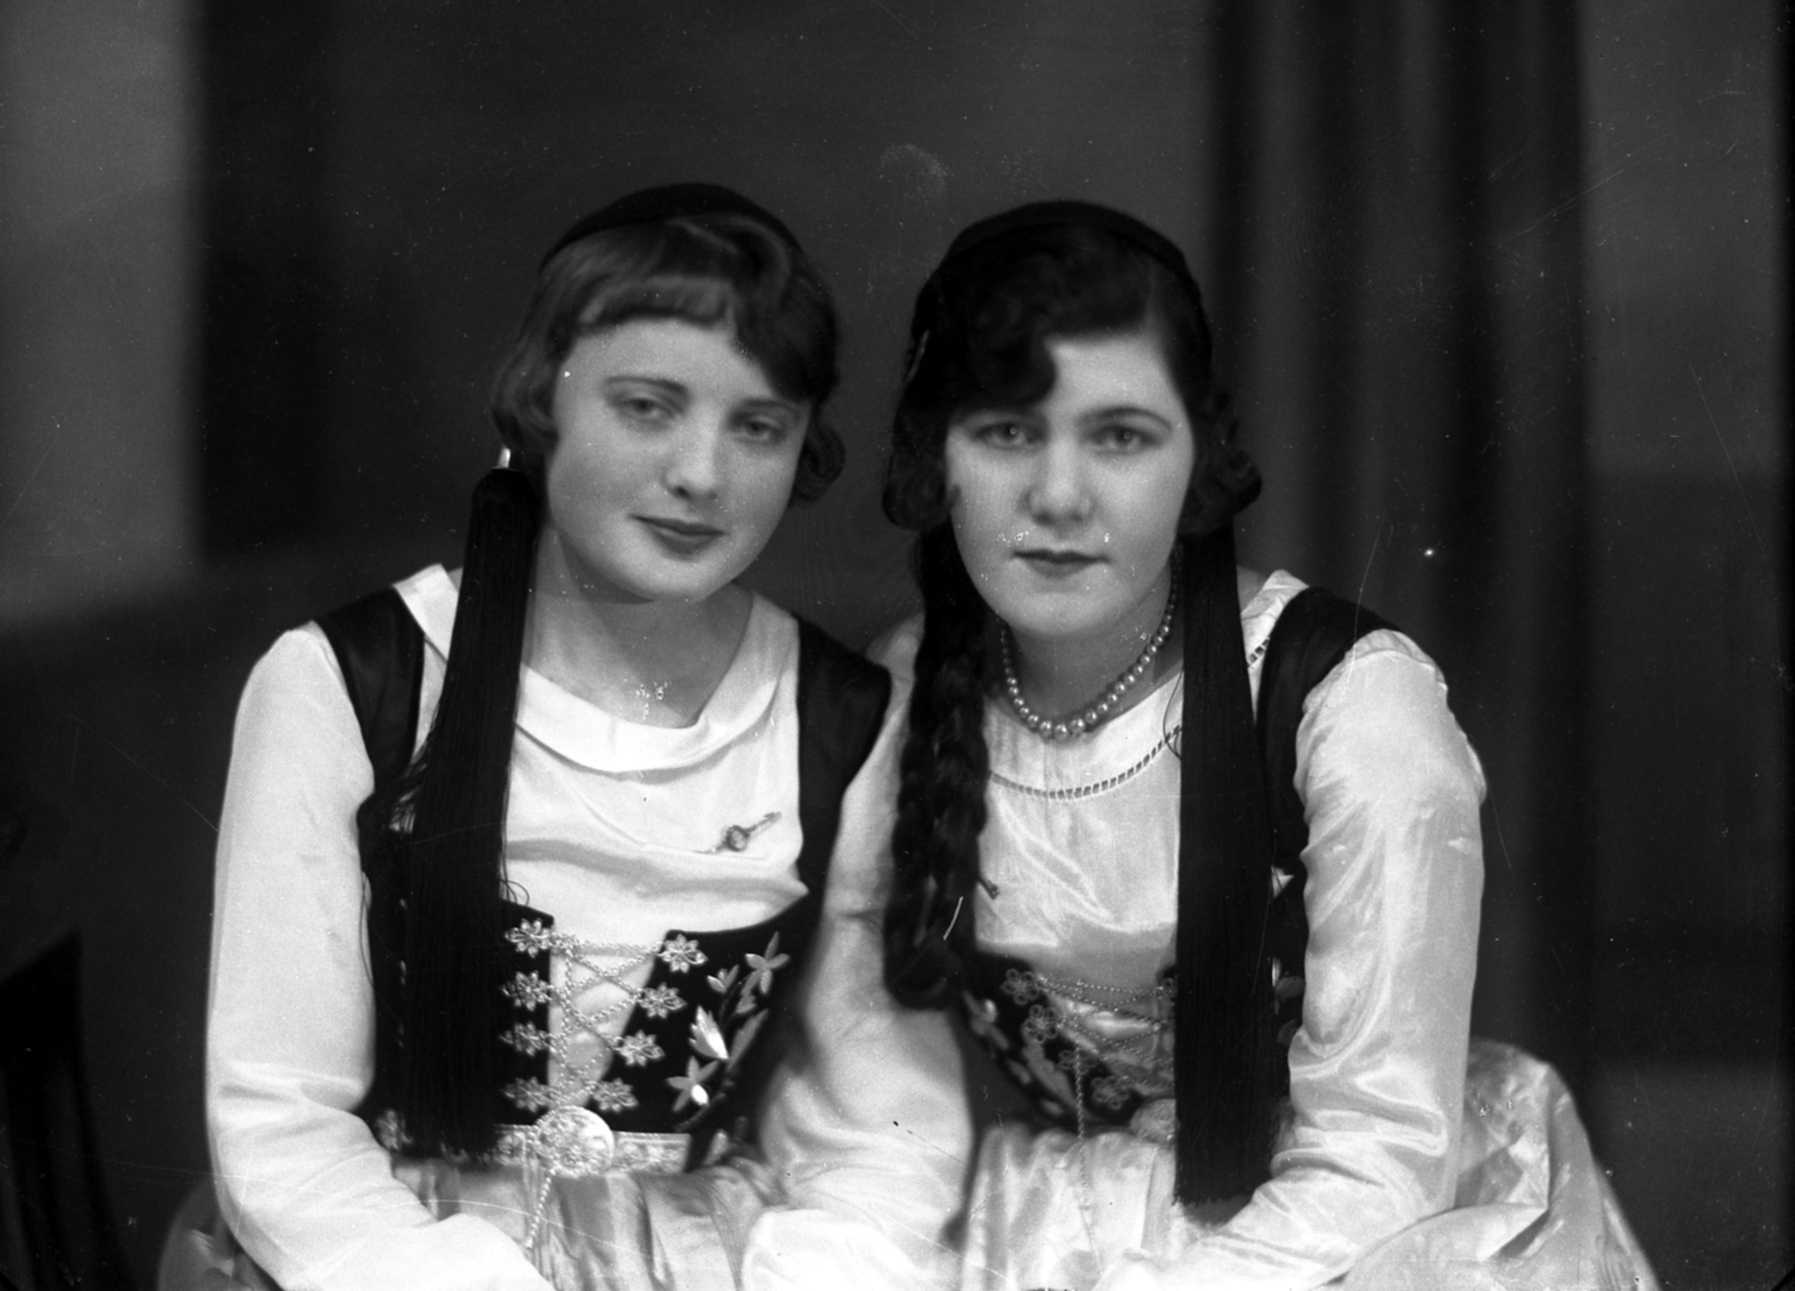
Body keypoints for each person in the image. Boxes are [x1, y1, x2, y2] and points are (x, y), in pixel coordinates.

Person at [754, 201, 1661, 1291]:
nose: (1058, 496)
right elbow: (880, 1110)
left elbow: (1376, 1156)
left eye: (1119, 436)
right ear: (933, 452)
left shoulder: (1348, 704)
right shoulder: (905, 691)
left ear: (1197, 457)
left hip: (1354, 1224)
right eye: (1005, 431)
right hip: (1049, 1221)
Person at [162, 184, 901, 1291]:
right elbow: (280, 1112)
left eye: (758, 426)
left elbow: (877, 1135)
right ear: (541, 397)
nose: (701, 474)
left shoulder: (839, 718)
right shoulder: (348, 683)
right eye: (647, 407)